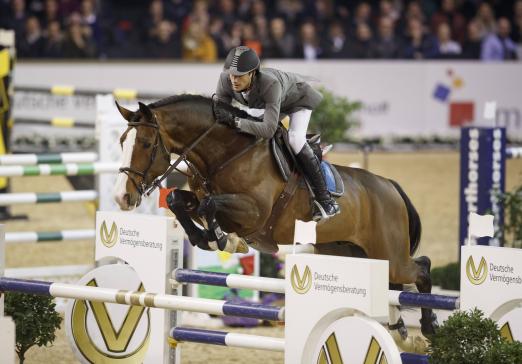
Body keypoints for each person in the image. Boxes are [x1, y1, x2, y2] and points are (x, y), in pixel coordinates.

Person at [214, 46, 340, 221]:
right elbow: (219, 116)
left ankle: (326, 200)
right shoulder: (225, 80)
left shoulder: (269, 83)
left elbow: (268, 129)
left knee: (295, 139)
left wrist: (235, 121)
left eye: (239, 75)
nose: (234, 80)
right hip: (268, 104)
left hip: (297, 101)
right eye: (231, 74)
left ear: (252, 73)